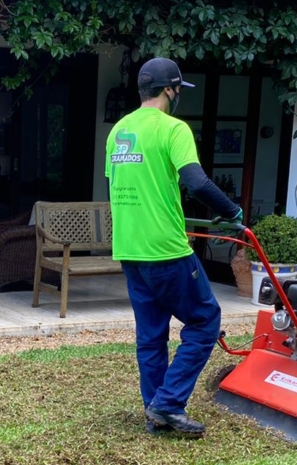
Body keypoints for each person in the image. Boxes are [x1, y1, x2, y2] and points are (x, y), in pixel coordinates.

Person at [105, 57, 243, 437]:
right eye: (178, 89)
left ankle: (156, 413)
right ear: (170, 90)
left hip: (130, 250)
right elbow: (196, 183)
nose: (178, 95)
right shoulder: (173, 129)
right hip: (166, 250)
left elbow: (115, 187)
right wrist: (232, 210)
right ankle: (168, 403)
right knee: (204, 322)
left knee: (151, 336)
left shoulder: (118, 130)